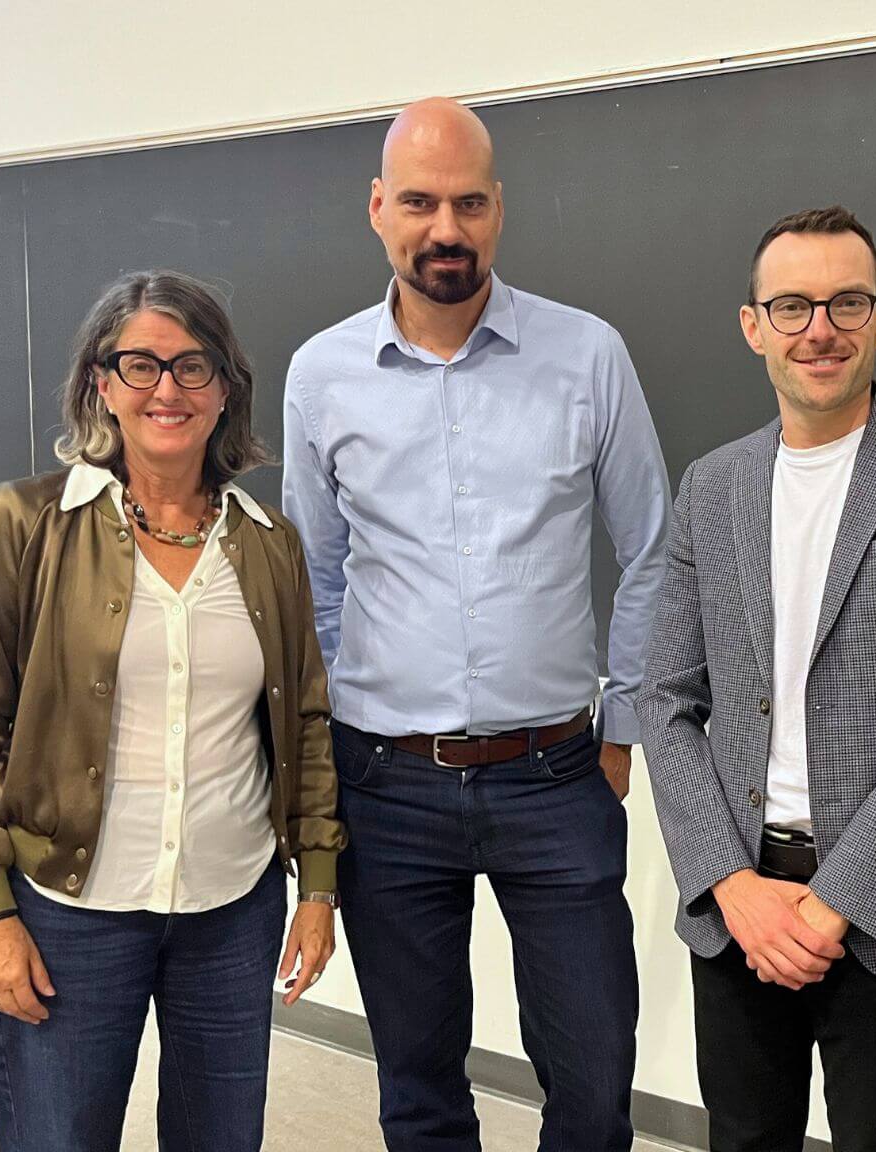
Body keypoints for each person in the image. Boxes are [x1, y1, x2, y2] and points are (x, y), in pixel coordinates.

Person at [280, 98, 670, 1151]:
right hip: (387, 783)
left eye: (466, 203)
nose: (442, 228)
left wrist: (622, 730)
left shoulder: (587, 355)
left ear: (499, 211)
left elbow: (651, 548)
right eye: (418, 202)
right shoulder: (321, 377)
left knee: (593, 1086)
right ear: (377, 209)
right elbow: (313, 578)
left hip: (556, 779)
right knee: (418, 1088)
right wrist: (321, 766)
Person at [638, 205, 876, 1152]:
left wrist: (830, 905)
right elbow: (665, 697)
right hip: (740, 901)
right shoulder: (712, 484)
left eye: (847, 303)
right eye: (793, 306)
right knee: (741, 1136)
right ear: (753, 327)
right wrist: (731, 883)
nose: (821, 329)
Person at [0, 270, 344, 1152]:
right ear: (99, 385)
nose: (168, 389)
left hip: (232, 912)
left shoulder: (270, 545)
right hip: (67, 912)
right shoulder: (21, 524)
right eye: (140, 365)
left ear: (226, 390)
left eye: (194, 367)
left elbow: (305, 723)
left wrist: (318, 886)